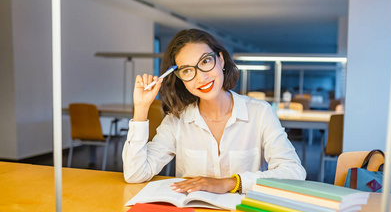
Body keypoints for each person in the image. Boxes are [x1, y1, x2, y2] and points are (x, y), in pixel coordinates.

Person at [122, 28, 306, 194]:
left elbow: (294, 172)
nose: (201, 77)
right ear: (181, 79)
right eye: (187, 71)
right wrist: (141, 108)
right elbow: (135, 174)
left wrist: (230, 183)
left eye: (206, 61)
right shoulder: (176, 120)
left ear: (221, 60)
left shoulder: (260, 113)